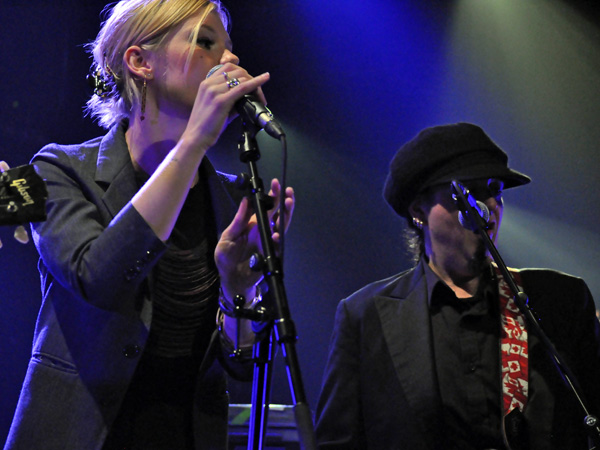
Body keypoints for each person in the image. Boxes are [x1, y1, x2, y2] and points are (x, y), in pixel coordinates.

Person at [4, 1, 294, 449]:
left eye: (230, 47)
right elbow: (97, 277)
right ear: (140, 62)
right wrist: (194, 143)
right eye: (205, 42)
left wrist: (239, 290)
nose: (231, 59)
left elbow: (240, 367)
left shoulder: (231, 199)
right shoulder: (60, 170)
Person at [315, 123, 600, 449]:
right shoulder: (365, 317)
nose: (487, 205)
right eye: (467, 192)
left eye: (494, 190)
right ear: (418, 209)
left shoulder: (560, 300)